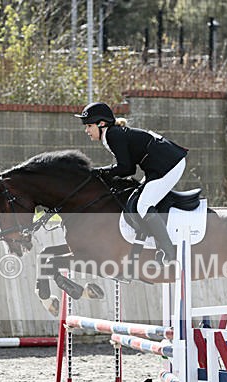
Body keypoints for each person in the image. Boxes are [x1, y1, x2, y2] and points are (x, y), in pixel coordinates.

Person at [75, 102, 188, 262]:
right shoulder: (112, 134)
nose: (86, 131)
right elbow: (126, 168)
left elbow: (127, 168)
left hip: (169, 165)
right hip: (158, 166)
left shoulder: (113, 135)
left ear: (102, 124)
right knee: (135, 200)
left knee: (143, 206)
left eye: (89, 126)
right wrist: (104, 172)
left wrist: (101, 171)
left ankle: (168, 252)